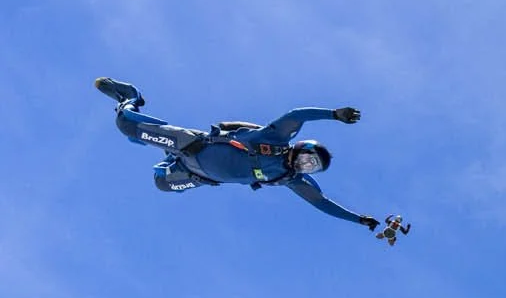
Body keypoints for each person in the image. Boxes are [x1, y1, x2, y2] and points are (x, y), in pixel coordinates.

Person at [94, 77, 387, 230]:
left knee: (159, 182)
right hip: (192, 145)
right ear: (299, 147)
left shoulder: (288, 179)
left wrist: (359, 220)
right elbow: (299, 114)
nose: (305, 165)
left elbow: (322, 204)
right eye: (307, 156)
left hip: (196, 175)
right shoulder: (275, 138)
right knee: (125, 125)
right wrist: (335, 114)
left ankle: (157, 149)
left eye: (311, 167)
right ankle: (131, 96)